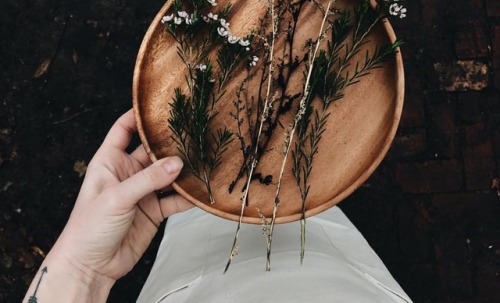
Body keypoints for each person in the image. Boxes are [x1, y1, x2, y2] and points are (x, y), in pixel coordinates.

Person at [24, 109, 412, 302]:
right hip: (333, 271)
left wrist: (82, 270)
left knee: (203, 213)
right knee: (299, 204)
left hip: (193, 276)